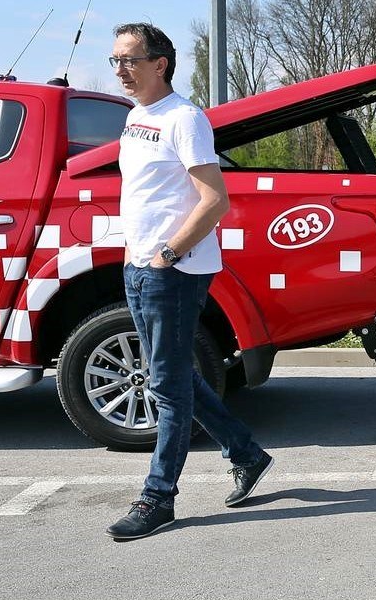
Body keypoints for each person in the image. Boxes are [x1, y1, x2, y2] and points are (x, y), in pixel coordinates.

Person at [105, 23, 273, 541]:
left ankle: (157, 498)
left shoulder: (185, 119)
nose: (120, 70)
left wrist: (169, 254)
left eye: (130, 60)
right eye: (115, 60)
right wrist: (139, 255)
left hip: (173, 272)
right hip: (139, 266)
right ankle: (246, 453)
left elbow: (214, 200)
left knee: (169, 386)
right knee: (174, 376)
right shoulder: (136, 117)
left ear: (161, 63)